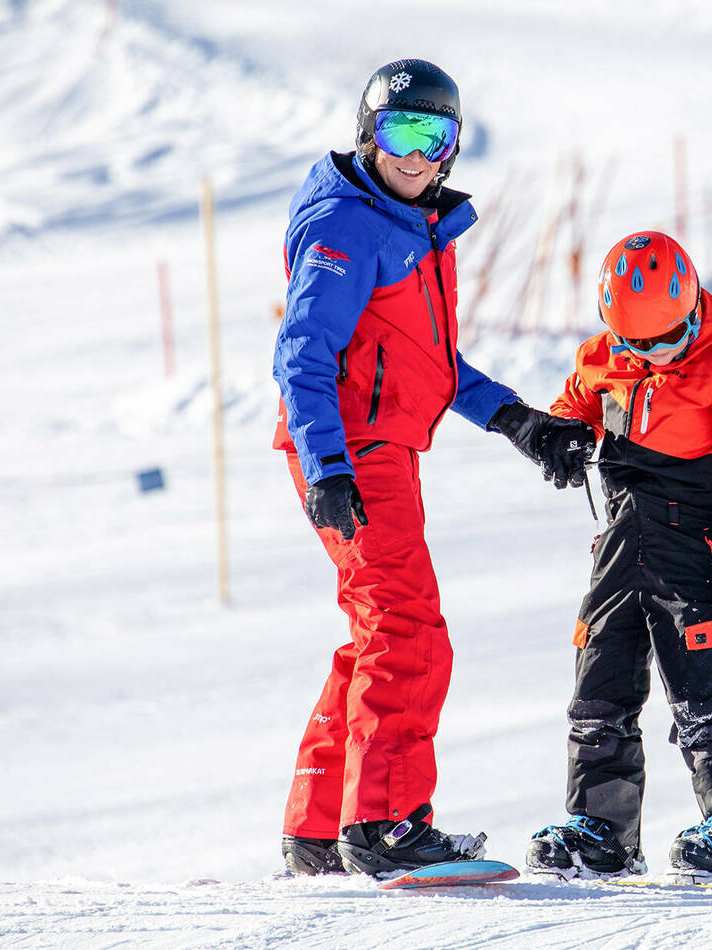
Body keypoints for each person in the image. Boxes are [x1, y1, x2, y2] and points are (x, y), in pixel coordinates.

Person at [271, 58, 594, 877]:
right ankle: (384, 823)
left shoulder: (412, 226)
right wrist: (329, 468)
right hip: (351, 453)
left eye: (432, 136)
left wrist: (520, 421)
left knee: (378, 632)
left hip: (377, 451)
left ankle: (319, 827)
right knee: (410, 633)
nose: (413, 156)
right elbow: (303, 356)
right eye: (397, 132)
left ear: (451, 148)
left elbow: (432, 364)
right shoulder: (348, 225)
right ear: (367, 134)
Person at [521, 231, 712, 884]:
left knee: (703, 690)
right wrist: (562, 430)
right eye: (639, 346)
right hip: (619, 546)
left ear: (691, 307)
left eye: (669, 340)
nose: (655, 355)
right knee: (598, 686)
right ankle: (602, 832)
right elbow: (578, 402)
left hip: (692, 549)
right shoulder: (601, 358)